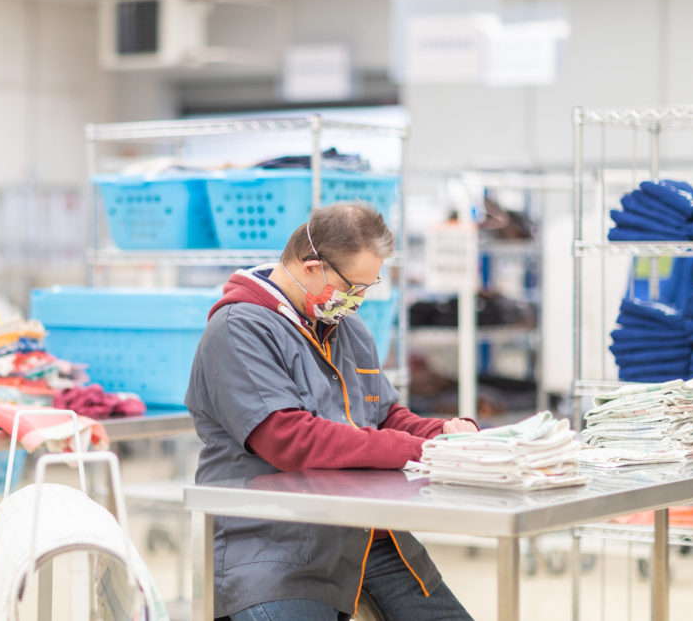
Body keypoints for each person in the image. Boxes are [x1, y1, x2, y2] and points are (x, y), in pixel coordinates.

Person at [185, 201, 478, 621]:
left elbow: (383, 413)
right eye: (351, 287)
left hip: (364, 532)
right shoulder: (238, 329)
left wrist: (442, 434)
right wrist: (414, 450)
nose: (356, 302)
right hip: (276, 545)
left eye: (366, 288)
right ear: (311, 266)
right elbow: (289, 439)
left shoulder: (347, 328)